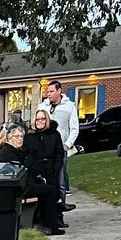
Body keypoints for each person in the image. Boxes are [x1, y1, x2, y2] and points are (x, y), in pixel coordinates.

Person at [18, 109, 65, 233]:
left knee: (52, 196)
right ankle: (40, 222)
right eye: (38, 119)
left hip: (50, 169)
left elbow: (59, 153)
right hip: (35, 171)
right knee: (42, 196)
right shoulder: (30, 136)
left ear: (47, 120)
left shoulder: (54, 134)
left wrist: (56, 167)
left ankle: (52, 224)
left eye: (42, 119)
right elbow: (25, 153)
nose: (40, 122)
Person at [39, 79, 78, 210]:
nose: (48, 94)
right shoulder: (43, 106)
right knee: (46, 179)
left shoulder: (69, 106)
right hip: (44, 149)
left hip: (60, 149)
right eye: (47, 92)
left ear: (59, 91)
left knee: (60, 180)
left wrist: (67, 145)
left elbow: (74, 128)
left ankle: (60, 210)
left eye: (51, 91)